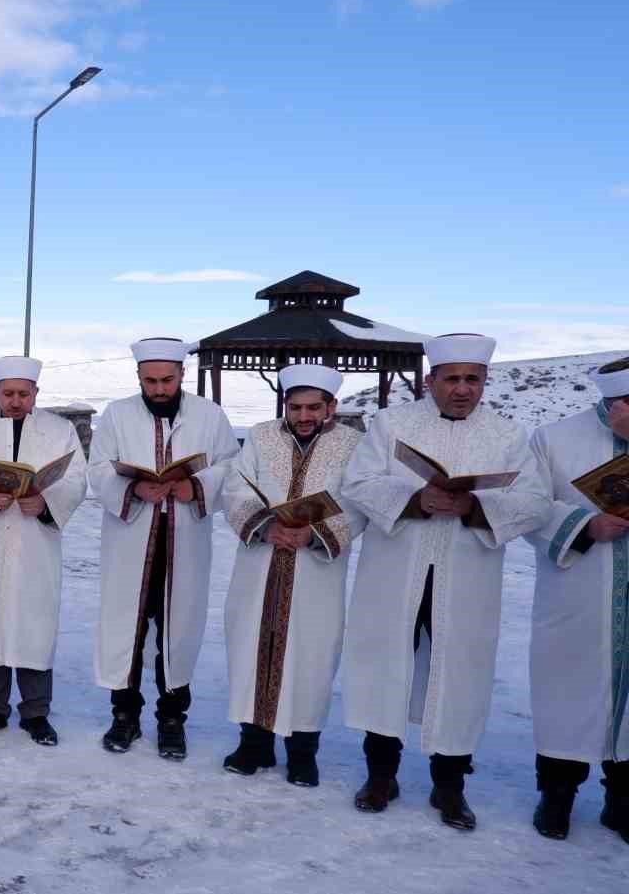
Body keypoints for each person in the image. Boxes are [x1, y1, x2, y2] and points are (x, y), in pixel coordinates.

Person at [341, 333, 550, 830]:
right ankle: (380, 775)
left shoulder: (506, 435)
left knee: (461, 673)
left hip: (466, 574)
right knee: (384, 664)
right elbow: (359, 484)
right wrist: (416, 501)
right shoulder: (391, 424)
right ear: (430, 379)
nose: (462, 389)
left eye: (472, 379)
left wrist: (474, 505)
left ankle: (449, 787)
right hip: (397, 570)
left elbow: (534, 501)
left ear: (484, 382)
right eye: (452, 378)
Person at [88, 337, 240, 759]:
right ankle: (124, 716)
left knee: (179, 630)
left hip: (185, 543)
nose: (159, 389)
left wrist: (195, 485)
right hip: (131, 542)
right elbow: (97, 469)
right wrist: (134, 486)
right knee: (127, 630)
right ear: (138, 377)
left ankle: (172, 719)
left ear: (182, 376)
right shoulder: (117, 415)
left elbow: (231, 466)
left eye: (167, 381)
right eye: (150, 381)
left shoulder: (210, 416)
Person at [219, 364, 362, 786]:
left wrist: (316, 534)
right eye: (296, 406)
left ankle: (303, 752)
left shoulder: (355, 446)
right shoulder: (261, 437)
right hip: (261, 563)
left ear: (332, 406)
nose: (304, 416)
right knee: (250, 647)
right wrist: (266, 525)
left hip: (317, 572)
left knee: (313, 655)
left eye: (314, 407)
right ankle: (254, 743)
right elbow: (236, 487)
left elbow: (358, 501)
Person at [0, 356, 86, 746]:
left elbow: (75, 479)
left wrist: (46, 503)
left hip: (36, 546)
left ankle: (36, 713)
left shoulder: (60, 431)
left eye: (24, 393)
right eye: (8, 393)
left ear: (36, 394)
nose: (16, 400)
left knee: (35, 625)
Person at [523, 354, 629, 842]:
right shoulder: (554, 438)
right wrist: (586, 524)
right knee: (566, 694)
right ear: (610, 403)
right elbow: (528, 505)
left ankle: (622, 802)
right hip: (577, 593)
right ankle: (557, 798)